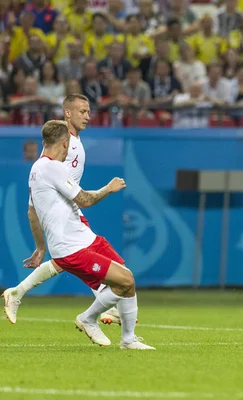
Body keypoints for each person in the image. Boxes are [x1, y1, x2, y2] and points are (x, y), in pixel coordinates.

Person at [23, 120, 153, 349]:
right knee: (126, 281)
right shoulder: (52, 168)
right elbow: (84, 200)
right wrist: (108, 188)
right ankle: (88, 318)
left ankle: (128, 339)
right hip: (70, 248)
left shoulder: (36, 169)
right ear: (65, 143)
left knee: (126, 280)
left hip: (82, 237)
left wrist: (40, 247)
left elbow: (31, 213)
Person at [3, 94, 122, 326]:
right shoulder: (68, 145)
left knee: (66, 260)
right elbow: (59, 191)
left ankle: (17, 292)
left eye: (88, 112)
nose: (88, 116)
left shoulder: (59, 144)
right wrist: (107, 189)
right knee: (78, 257)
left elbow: (35, 201)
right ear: (67, 113)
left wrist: (40, 245)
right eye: (82, 112)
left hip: (66, 212)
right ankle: (103, 309)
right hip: (66, 212)